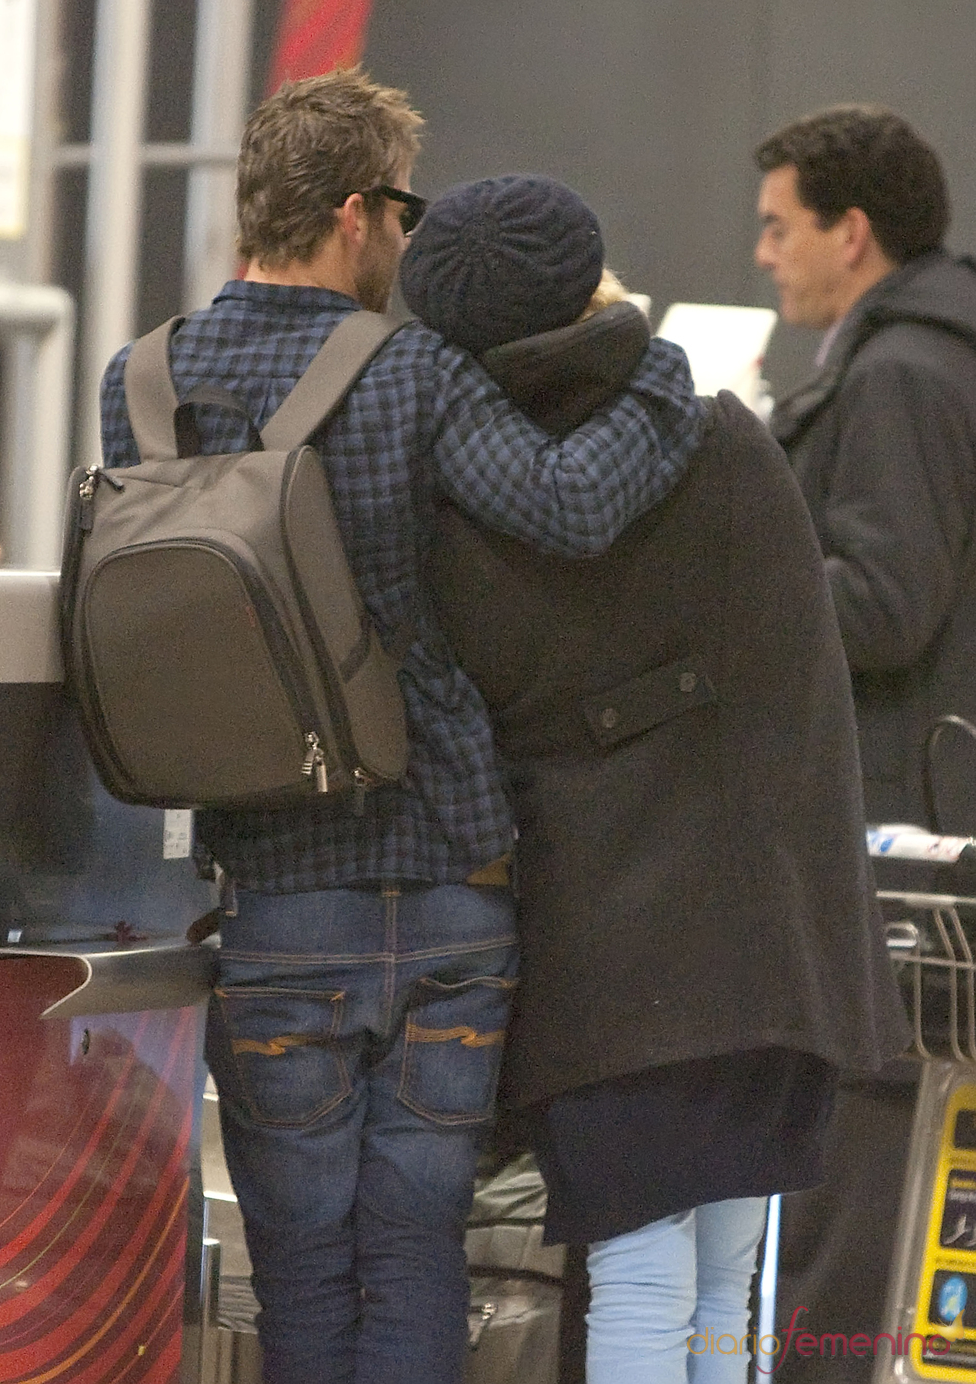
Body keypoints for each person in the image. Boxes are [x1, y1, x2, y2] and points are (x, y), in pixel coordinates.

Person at [97, 71, 704, 1384]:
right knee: (419, 1244)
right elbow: (573, 507)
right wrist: (657, 367)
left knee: (302, 1265)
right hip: (444, 890)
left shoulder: (140, 386)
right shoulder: (411, 369)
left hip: (269, 897)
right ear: (361, 213)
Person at [398, 173, 909, 1384]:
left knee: (635, 1264)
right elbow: (805, 694)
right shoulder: (723, 439)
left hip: (608, 955)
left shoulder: (451, 500)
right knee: (731, 1264)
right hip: (771, 945)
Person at [753, 105, 976, 1379]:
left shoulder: (897, 373)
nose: (763, 253)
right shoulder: (927, 355)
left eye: (781, 226)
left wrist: (745, 594)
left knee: (857, 1214)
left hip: (891, 863)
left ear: (852, 231)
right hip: (917, 841)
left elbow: (884, 604)